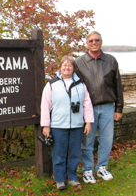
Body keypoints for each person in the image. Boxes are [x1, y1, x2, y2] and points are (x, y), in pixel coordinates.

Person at [75, 31, 124, 184]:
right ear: (87, 43)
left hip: (109, 107)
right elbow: (76, 88)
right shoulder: (79, 62)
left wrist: (119, 108)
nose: (94, 42)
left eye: (97, 40)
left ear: (101, 42)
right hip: (89, 109)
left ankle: (102, 167)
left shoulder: (111, 60)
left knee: (106, 140)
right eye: (91, 40)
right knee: (87, 141)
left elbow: (118, 85)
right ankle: (88, 171)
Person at [40, 56, 94, 190]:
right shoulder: (51, 84)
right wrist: (46, 125)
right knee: (58, 154)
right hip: (58, 126)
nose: (67, 68)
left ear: (74, 68)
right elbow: (45, 106)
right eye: (64, 65)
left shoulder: (81, 84)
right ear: (60, 67)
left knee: (75, 154)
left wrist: (88, 122)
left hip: (77, 125)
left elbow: (87, 104)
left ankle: (72, 178)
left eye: (70, 65)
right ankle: (59, 180)